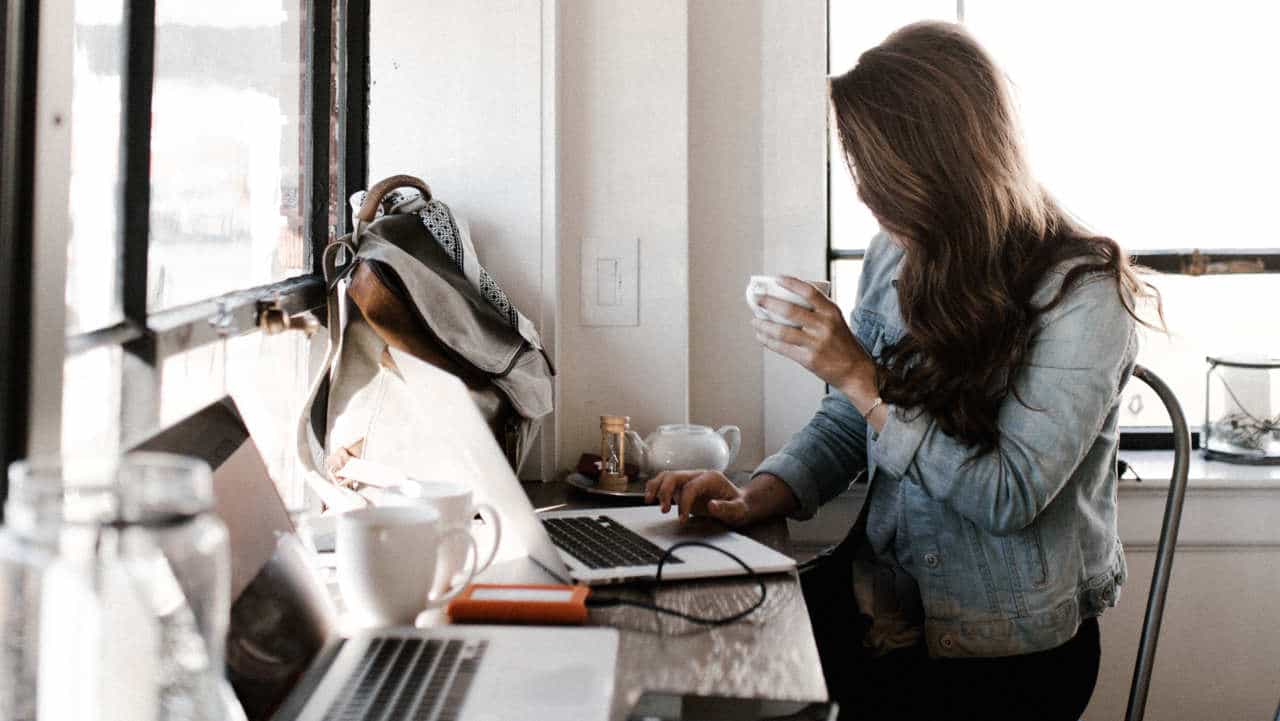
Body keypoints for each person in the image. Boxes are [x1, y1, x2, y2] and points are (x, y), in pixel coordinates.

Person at [646, 20, 1161, 721]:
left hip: (1006, 651)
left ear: (945, 164)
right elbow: (849, 418)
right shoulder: (897, 253)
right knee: (696, 647)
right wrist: (757, 493)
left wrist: (861, 375)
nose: (867, 198)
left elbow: (1007, 496)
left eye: (878, 175)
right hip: (884, 598)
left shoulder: (1086, 296)